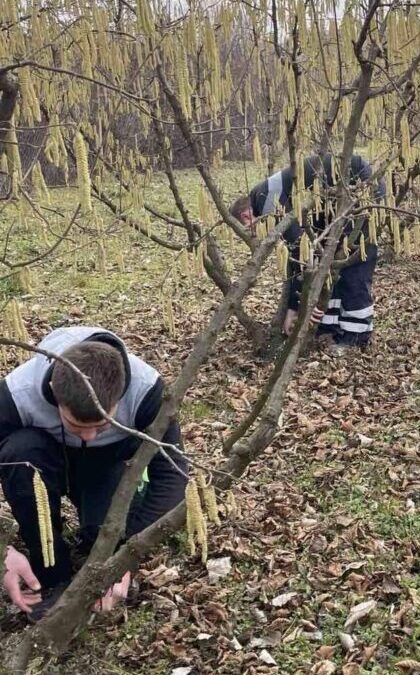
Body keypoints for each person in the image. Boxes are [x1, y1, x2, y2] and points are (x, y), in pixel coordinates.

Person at [0, 327, 187, 621]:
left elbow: (172, 474)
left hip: (109, 466)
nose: (88, 436)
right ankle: (49, 571)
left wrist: (127, 555)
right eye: (76, 425)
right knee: (18, 451)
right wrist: (3, 555)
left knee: (103, 539)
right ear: (56, 397)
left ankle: (96, 547)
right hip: (44, 464)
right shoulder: (15, 395)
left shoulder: (146, 390)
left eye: (101, 426)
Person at [231, 154, 385, 352]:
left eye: (248, 230)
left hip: (361, 187)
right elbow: (303, 250)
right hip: (336, 200)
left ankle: (357, 336)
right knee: (329, 260)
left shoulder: (266, 201)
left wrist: (293, 308)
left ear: (246, 216)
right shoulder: (265, 192)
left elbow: (300, 250)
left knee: (351, 261)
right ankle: (330, 327)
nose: (255, 236)